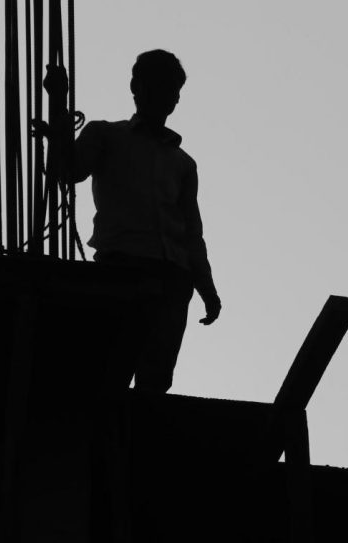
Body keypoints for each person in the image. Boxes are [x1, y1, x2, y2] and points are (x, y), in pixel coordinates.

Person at [44, 49, 221, 393]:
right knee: (110, 372)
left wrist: (206, 287)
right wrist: (58, 101)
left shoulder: (183, 164)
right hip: (121, 269)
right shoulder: (106, 136)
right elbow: (68, 170)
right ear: (136, 88)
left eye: (172, 90)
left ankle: (137, 440)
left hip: (171, 279)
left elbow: (191, 235)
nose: (168, 97)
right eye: (160, 86)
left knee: (155, 383)